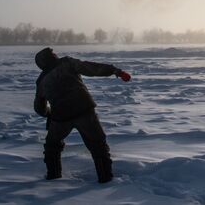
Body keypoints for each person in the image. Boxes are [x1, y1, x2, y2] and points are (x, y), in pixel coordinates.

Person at [33, 47, 131, 183]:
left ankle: (53, 178)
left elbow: (39, 108)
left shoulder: (41, 81)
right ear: (50, 57)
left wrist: (49, 113)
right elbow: (90, 68)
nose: (55, 54)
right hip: (84, 111)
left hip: (60, 118)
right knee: (98, 146)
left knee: (52, 147)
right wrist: (114, 71)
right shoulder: (66, 62)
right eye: (53, 53)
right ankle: (106, 179)